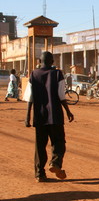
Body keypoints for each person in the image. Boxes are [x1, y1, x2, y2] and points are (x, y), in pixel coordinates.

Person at [24, 51, 74, 182]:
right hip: (55, 116)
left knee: (40, 146)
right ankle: (55, 163)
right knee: (59, 142)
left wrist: (27, 116)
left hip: (39, 116)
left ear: (40, 61)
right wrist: (68, 111)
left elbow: (30, 98)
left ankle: (39, 174)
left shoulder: (33, 74)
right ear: (52, 62)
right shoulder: (57, 74)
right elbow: (61, 96)